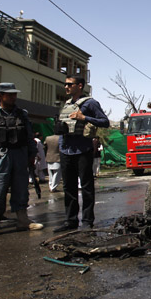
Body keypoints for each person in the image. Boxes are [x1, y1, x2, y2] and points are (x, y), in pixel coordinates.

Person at [0, 83, 44, 239]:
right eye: (9, 94)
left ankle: (23, 219)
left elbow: (29, 137)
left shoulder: (22, 114)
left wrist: (32, 154)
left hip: (20, 155)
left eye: (14, 94)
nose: (13, 97)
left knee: (21, 188)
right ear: (0, 95)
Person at [52, 76, 110, 233]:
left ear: (79, 86)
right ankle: (70, 221)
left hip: (82, 150)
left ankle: (87, 221)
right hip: (66, 150)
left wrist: (84, 117)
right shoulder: (67, 104)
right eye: (64, 84)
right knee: (69, 187)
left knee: (86, 186)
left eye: (69, 84)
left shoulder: (90, 103)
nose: (66, 87)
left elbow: (105, 122)